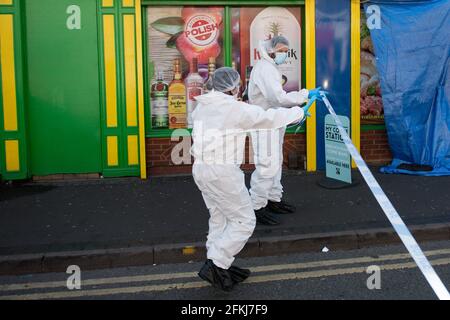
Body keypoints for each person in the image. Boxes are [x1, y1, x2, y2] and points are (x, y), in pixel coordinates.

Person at [191, 67, 310, 291]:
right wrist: (299, 112)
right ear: (232, 87)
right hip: (223, 172)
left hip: (201, 169)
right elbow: (267, 118)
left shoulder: (202, 106)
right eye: (237, 85)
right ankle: (216, 264)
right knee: (244, 221)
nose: (239, 88)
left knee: (220, 218)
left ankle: (219, 265)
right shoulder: (233, 109)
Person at [248, 35, 323, 225]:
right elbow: (278, 98)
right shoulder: (265, 68)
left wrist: (303, 98)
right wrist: (304, 95)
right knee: (266, 165)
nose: (284, 54)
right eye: (281, 50)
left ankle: (273, 199)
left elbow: (277, 100)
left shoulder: (271, 66)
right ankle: (257, 206)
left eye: (285, 51)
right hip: (264, 123)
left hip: (273, 121)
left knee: (275, 162)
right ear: (271, 50)